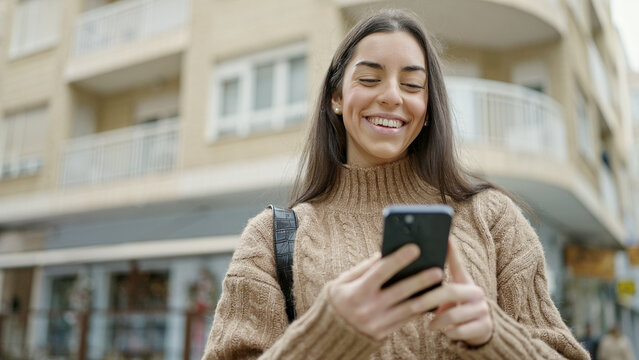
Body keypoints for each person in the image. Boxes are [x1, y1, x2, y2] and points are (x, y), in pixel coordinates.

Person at [203, 9, 589, 359]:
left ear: (427, 110)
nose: (390, 96)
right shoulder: (270, 238)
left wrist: (496, 337)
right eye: (370, 79)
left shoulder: (493, 217)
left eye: (412, 85)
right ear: (336, 97)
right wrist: (324, 336)